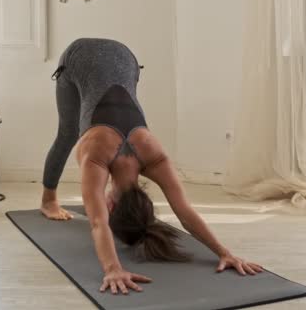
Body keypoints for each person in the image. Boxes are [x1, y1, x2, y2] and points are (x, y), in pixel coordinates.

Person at [41, 38, 263, 295]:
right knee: (68, 133)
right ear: (111, 205)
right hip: (79, 56)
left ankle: (49, 200)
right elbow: (98, 222)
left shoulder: (155, 156)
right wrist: (112, 268)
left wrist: (226, 253)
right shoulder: (95, 155)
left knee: (74, 127)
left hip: (127, 57)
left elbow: (184, 211)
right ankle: (48, 202)